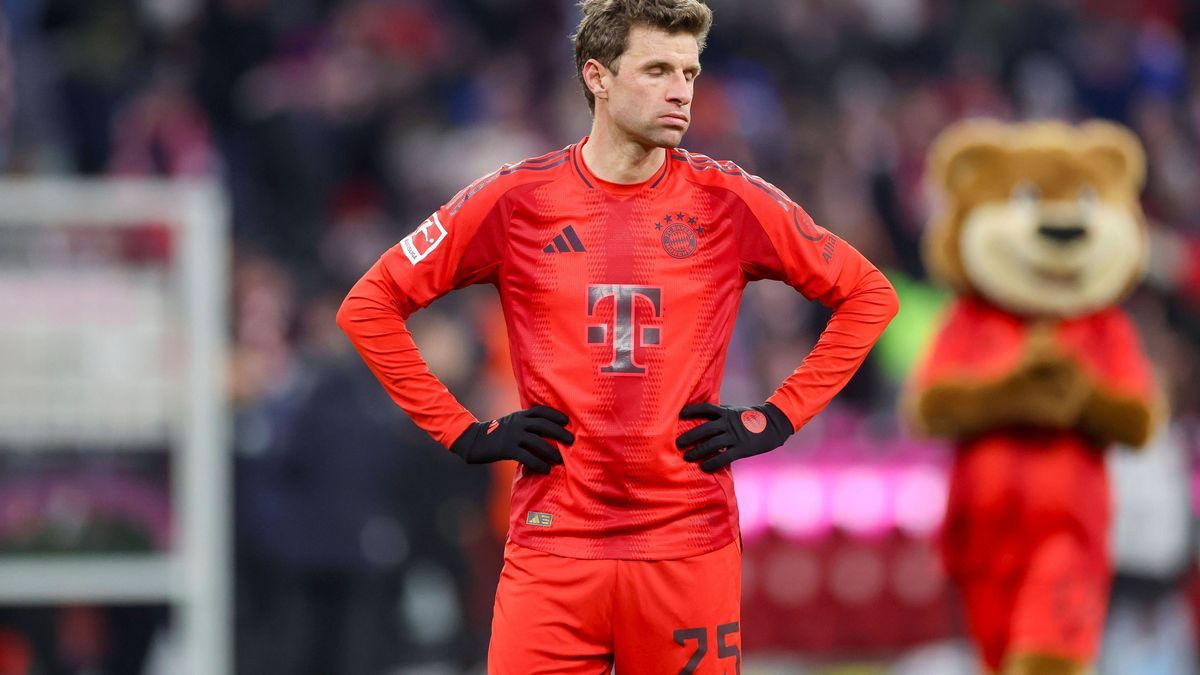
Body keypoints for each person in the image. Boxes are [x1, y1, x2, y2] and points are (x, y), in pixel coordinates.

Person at [337, 0, 898, 671]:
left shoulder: (729, 200)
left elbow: (869, 294)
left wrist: (776, 417)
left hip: (687, 546)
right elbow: (369, 305)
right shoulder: (517, 201)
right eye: (658, 69)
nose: (681, 91)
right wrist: (463, 429)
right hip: (554, 550)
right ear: (596, 76)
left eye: (689, 72)